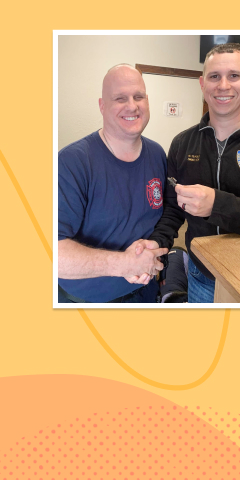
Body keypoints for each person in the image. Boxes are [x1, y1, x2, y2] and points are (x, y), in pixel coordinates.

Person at [147, 43, 240, 303]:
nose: (223, 85)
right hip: (201, 276)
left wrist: (218, 205)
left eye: (234, 75)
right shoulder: (182, 143)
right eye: (214, 76)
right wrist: (156, 245)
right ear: (202, 83)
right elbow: (172, 208)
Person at [57, 64, 169, 304]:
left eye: (138, 97)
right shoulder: (72, 162)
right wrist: (124, 264)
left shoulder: (157, 154)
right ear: (102, 105)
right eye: (120, 98)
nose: (132, 105)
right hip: (88, 301)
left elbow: (161, 217)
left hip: (146, 294)